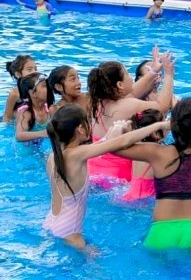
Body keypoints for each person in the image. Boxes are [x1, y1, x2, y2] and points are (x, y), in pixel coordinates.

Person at [43, 104, 170, 248]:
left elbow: (103, 144)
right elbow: (123, 142)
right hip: (69, 234)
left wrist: (114, 131)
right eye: (87, 122)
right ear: (80, 129)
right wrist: (159, 125)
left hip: (50, 223)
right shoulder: (77, 155)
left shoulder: (53, 156)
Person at [114, 99, 191, 249]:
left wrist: (157, 125)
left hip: (161, 230)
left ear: (172, 125)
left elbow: (116, 146)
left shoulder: (156, 152)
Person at [87, 53, 174, 183]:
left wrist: (154, 70)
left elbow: (132, 91)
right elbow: (162, 107)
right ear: (120, 84)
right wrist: (169, 74)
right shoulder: (128, 105)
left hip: (93, 172)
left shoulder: (97, 103)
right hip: (118, 178)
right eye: (127, 73)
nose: (131, 77)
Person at [122, 109, 167, 201]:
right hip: (147, 200)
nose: (168, 128)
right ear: (155, 134)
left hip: (129, 197)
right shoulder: (158, 152)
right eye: (165, 125)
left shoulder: (135, 146)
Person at [15, 72, 54, 144]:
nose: (49, 88)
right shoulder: (26, 113)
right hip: (26, 148)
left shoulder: (49, 109)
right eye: (45, 86)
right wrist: (44, 133)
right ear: (33, 93)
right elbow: (19, 136)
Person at [3, 54, 36, 123]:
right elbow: (7, 117)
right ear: (18, 74)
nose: (35, 72)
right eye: (29, 69)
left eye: (35, 69)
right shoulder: (15, 93)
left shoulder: (38, 89)